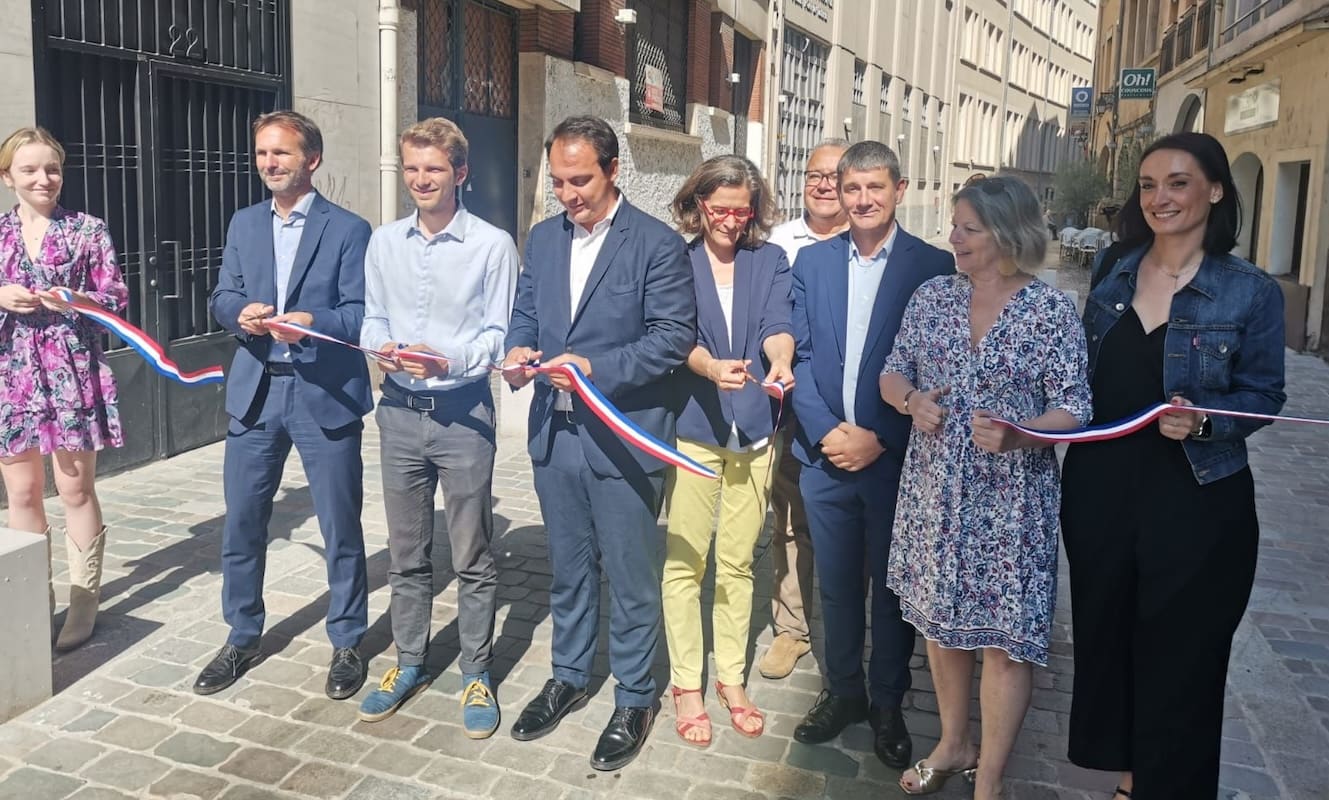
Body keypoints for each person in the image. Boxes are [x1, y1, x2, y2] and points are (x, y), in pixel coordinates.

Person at [1061, 132, 1286, 800]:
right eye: (1148, 184)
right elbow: (1085, 375)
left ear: (1215, 189)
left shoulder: (1248, 291)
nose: (1160, 198)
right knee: (1112, 635)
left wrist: (1207, 418)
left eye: (1178, 182)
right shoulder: (1113, 270)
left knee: (1183, 657)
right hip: (1100, 489)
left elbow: (1264, 396)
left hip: (1194, 498)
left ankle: (1169, 786)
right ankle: (1135, 774)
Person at [879, 176, 1092, 798]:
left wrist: (1022, 433)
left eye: (967, 228)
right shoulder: (934, 296)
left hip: (1012, 504)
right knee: (941, 628)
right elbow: (894, 371)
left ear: (1007, 233)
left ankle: (990, 776)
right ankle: (953, 742)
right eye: (955, 224)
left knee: (1004, 642)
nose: (953, 238)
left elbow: (1075, 410)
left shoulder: (1049, 310)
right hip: (935, 494)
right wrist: (913, 400)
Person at [501, 115, 696, 771]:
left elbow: (671, 337)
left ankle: (636, 697)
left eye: (579, 180)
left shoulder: (656, 245)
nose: (567, 194)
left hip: (623, 436)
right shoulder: (544, 238)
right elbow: (526, 311)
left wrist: (595, 370)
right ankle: (569, 676)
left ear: (613, 170)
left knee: (632, 578)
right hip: (555, 436)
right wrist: (518, 348)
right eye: (557, 181)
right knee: (569, 569)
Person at [789, 140, 953, 768]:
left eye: (874, 189)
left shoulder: (933, 268)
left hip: (896, 460)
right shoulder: (812, 264)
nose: (860, 200)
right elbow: (795, 357)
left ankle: (888, 703)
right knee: (834, 588)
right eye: (850, 188)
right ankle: (842, 694)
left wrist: (882, 435)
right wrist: (827, 429)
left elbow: (937, 371)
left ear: (899, 190)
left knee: (891, 591)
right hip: (825, 456)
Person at [200, 111, 373, 700]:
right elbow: (221, 293)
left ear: (312, 160)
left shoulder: (349, 229)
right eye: (262, 154)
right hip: (256, 390)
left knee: (339, 523)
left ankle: (348, 639)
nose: (269, 164)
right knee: (243, 523)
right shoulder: (244, 223)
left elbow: (360, 315)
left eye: (282, 154)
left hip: (323, 392)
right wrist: (237, 313)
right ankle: (241, 634)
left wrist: (312, 323)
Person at [356, 118, 518, 734]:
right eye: (413, 169)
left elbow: (502, 335)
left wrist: (449, 360)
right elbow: (370, 317)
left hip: (463, 413)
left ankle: (476, 671)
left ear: (461, 174)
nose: (421, 180)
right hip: (397, 411)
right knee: (406, 552)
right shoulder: (383, 242)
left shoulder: (492, 245)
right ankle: (410, 660)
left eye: (434, 169)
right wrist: (386, 348)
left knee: (472, 553)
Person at [661, 155, 795, 746]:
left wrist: (782, 361)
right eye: (720, 210)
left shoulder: (769, 261)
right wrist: (710, 367)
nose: (732, 221)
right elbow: (675, 333)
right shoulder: (675, 260)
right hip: (696, 428)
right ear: (698, 204)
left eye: (742, 211)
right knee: (686, 561)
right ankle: (687, 682)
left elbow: (778, 322)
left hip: (755, 428)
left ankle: (731, 678)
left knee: (738, 562)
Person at [0, 126, 128, 651]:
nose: (43, 178)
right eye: (29, 169)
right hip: (11, 376)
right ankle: (33, 599)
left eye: (51, 168)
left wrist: (76, 299)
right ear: (8, 176)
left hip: (70, 375)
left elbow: (116, 301)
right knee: (22, 493)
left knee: (75, 489)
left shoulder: (87, 231)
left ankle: (82, 601)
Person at [760, 137, 849, 680]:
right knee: (789, 522)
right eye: (814, 175)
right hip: (786, 407)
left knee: (846, 527)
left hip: (850, 414)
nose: (821, 185)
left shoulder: (867, 243)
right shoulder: (776, 242)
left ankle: (849, 632)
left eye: (834, 177)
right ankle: (791, 629)